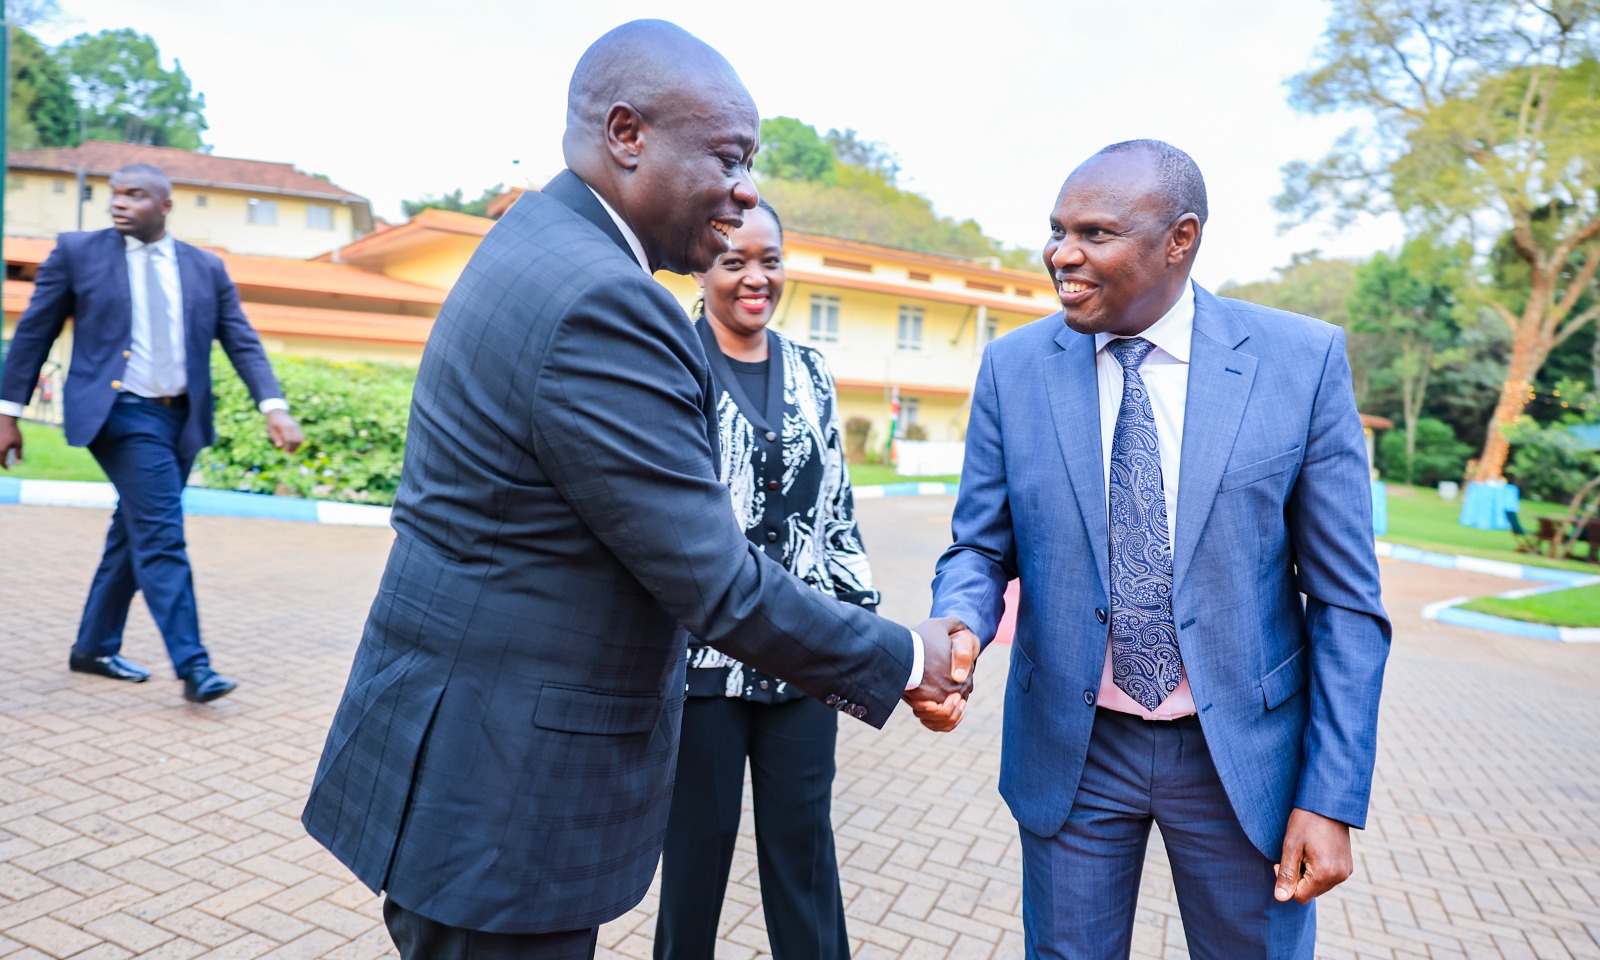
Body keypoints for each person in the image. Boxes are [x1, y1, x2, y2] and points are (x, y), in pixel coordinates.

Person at [300, 21, 975, 960]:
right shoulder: (605, 304)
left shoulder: (534, 243)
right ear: (628, 134)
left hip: (460, 762)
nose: (744, 197)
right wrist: (908, 656)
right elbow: (717, 585)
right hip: (503, 798)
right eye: (730, 159)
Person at [930, 140, 1390, 959]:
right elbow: (978, 546)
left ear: (1181, 238)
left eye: (1096, 233)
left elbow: (1348, 604)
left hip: (1243, 762)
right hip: (1074, 750)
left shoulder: (1300, 362)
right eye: (1057, 230)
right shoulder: (1014, 368)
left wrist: (1331, 796)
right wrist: (958, 622)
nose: (1062, 255)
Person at [0, 163, 304, 704]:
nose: (119, 204)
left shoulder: (204, 268)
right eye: (114, 195)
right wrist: (7, 412)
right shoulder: (77, 252)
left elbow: (241, 341)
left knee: (134, 531)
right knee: (161, 534)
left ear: (164, 206)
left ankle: (93, 646)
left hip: (181, 419)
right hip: (120, 414)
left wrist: (273, 406)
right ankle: (195, 667)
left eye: (135, 196)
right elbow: (33, 334)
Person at [654, 201, 863, 960]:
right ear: (702, 265)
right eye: (734, 259)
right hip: (698, 670)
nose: (755, 277)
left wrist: (857, 639)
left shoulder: (811, 371)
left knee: (804, 856)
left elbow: (837, 511)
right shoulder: (669, 358)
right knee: (695, 865)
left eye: (769, 259)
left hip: (802, 662)